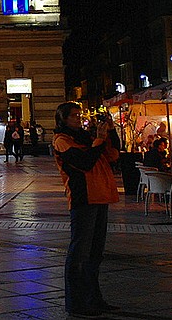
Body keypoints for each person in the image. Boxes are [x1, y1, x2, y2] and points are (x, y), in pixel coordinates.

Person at [52, 102, 121, 317]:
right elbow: (85, 162)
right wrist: (99, 140)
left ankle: (94, 298)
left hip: (100, 196)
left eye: (79, 115)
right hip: (84, 199)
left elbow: (113, 155)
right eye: (73, 115)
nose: (78, 119)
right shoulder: (62, 141)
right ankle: (76, 302)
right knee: (79, 253)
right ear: (63, 119)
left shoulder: (86, 138)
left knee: (95, 253)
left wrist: (110, 132)